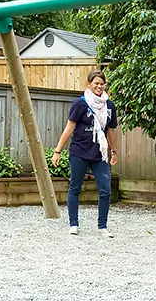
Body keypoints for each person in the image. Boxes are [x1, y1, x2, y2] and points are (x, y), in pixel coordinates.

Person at [52, 69, 118, 237]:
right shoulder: (80, 103)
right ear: (89, 84)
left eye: (102, 84)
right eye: (96, 83)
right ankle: (73, 224)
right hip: (79, 152)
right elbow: (69, 128)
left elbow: (111, 131)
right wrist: (57, 151)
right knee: (75, 187)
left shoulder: (109, 106)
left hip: (100, 154)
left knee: (105, 190)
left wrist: (114, 151)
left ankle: (102, 226)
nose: (99, 86)